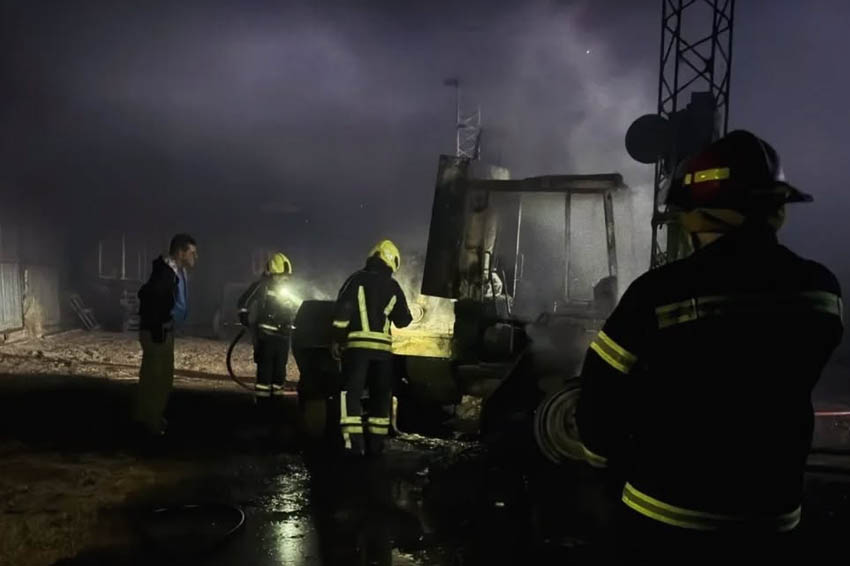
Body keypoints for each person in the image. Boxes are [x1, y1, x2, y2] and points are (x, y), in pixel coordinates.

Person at [570, 131, 844, 561]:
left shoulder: (659, 293)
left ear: (698, 216)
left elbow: (599, 399)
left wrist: (604, 472)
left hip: (666, 516)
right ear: (777, 211)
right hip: (773, 518)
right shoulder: (821, 289)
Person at [331, 240, 412, 456]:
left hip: (356, 349)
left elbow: (342, 312)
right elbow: (404, 320)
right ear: (392, 261)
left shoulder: (355, 280)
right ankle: (376, 445)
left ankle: (352, 444)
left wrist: (338, 339)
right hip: (383, 353)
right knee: (381, 397)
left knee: (351, 395)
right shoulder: (393, 286)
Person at [134, 233, 198, 437]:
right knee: (159, 378)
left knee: (154, 375)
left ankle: (145, 415)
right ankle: (151, 421)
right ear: (180, 253)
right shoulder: (165, 274)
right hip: (157, 331)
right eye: (192, 253)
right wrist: (157, 328)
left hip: (163, 329)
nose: (195, 257)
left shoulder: (176, 272)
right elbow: (148, 298)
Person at [237, 252, 298, 398]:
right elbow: (243, 302)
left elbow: (296, 307)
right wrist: (244, 317)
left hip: (283, 337)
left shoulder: (288, 290)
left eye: (286, 276)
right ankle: (262, 407)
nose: (284, 279)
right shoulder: (262, 286)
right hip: (266, 338)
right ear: (272, 273)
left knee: (280, 373)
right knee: (265, 372)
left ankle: (277, 403)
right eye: (281, 276)